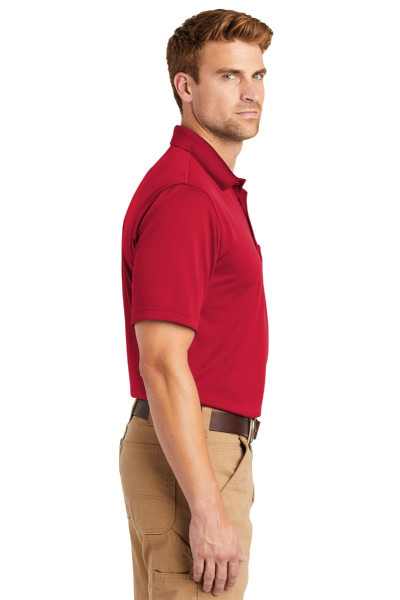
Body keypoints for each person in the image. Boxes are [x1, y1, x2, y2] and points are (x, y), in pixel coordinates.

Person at [119, 8, 273, 599]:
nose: (251, 93)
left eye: (257, 75)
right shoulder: (187, 195)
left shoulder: (209, 187)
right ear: (185, 86)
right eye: (229, 76)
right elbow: (160, 361)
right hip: (192, 450)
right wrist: (207, 508)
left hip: (196, 445)